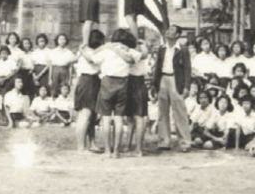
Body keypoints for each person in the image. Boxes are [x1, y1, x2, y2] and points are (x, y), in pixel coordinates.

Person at [81, 28, 142, 158]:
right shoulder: (128, 50)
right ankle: (116, 152)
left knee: (106, 119)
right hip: (123, 84)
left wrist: (83, 51)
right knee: (119, 119)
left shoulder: (107, 49)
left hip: (107, 83)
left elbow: (92, 59)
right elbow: (140, 56)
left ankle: (108, 151)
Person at [153, 24, 192, 152]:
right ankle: (164, 141)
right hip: (163, 79)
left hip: (176, 80)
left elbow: (187, 69)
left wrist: (186, 86)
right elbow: (157, 68)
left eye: (172, 30)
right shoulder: (161, 49)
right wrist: (155, 85)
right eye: (168, 29)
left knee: (179, 112)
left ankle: (185, 142)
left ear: (177, 35)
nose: (168, 32)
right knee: (162, 111)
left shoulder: (183, 49)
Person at [73, 29, 105, 153]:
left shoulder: (88, 51)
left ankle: (92, 143)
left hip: (94, 81)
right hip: (87, 81)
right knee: (85, 116)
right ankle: (81, 147)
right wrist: (83, 50)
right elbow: (91, 60)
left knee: (92, 116)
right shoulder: (88, 52)